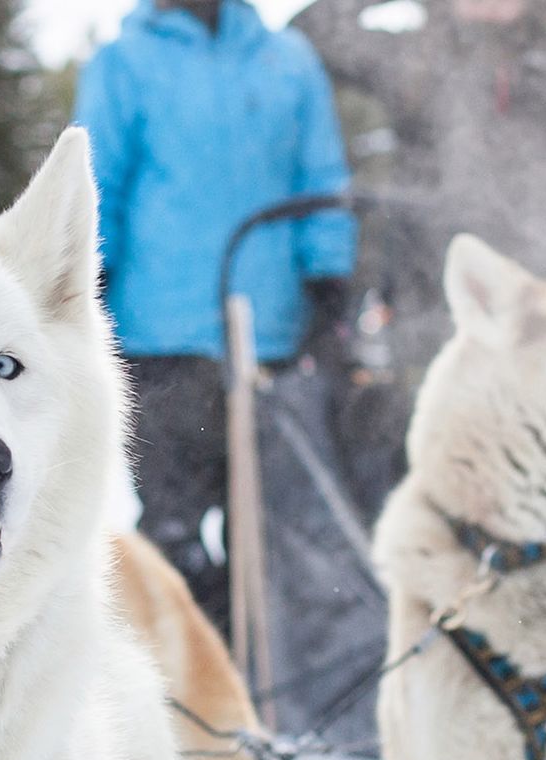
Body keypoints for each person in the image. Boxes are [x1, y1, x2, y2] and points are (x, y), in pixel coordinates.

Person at [75, 0, 357, 642]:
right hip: (161, 337)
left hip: (269, 336)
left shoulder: (287, 61)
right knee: (172, 526)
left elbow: (322, 179)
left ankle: (260, 668)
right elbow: (95, 184)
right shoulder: (126, 62)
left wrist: (329, 279)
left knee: (264, 525)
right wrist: (88, 283)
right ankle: (178, 669)